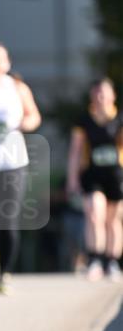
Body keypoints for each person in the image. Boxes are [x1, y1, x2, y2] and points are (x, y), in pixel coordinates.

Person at [0, 41, 42, 293]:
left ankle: (4, 273)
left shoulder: (17, 88)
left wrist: (18, 125)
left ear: (7, 63)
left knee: (8, 220)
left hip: (13, 160)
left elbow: (34, 117)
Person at [67, 78, 123, 281]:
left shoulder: (119, 119)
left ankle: (112, 261)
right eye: (97, 93)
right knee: (93, 214)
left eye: (104, 93)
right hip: (92, 174)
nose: (100, 97)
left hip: (116, 175)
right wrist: (72, 179)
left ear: (112, 96)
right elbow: (75, 151)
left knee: (113, 220)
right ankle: (94, 259)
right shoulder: (84, 121)